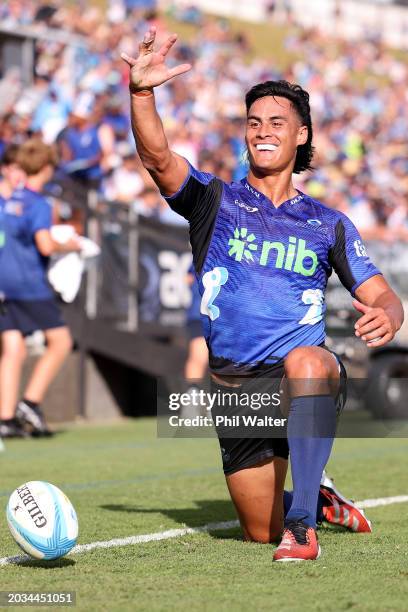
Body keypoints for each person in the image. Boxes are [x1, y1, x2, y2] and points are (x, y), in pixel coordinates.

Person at [121, 28, 404, 561]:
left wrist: (389, 314)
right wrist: (141, 94)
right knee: (256, 530)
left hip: (304, 373)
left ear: (301, 136)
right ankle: (315, 497)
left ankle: (303, 529)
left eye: (276, 122)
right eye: (254, 123)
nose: (262, 131)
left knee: (309, 362)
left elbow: (384, 295)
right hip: (237, 388)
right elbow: (159, 158)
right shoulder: (213, 201)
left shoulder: (328, 223)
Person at [0, 139, 80, 438]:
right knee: (60, 342)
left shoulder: (8, 200)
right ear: (46, 168)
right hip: (28, 284)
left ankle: (5, 419)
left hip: (4, 284)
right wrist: (70, 245)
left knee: (13, 349)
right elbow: (45, 245)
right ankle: (30, 402)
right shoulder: (37, 203)